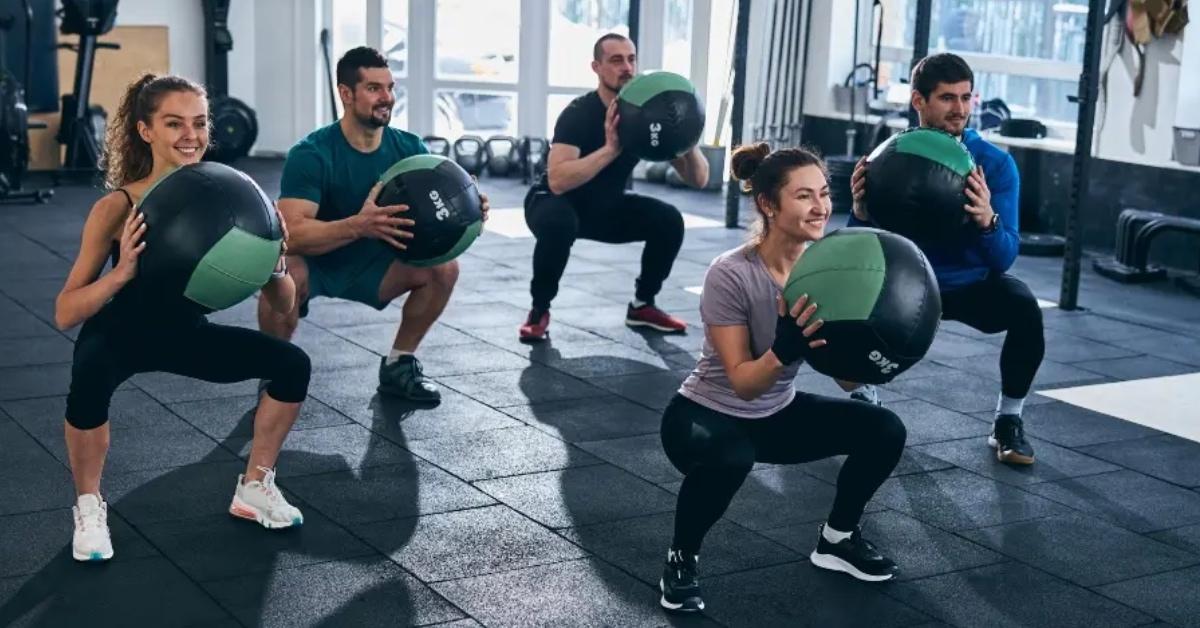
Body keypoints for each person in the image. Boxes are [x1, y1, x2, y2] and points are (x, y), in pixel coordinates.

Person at [55, 74, 311, 562]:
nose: (190, 135)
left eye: (198, 123)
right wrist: (121, 273)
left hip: (187, 333)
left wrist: (275, 266)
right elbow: (64, 312)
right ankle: (89, 506)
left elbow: (283, 306)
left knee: (292, 364)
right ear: (145, 130)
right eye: (174, 123)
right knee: (88, 375)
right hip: (123, 332)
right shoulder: (118, 207)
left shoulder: (238, 197)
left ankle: (254, 487)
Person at [658, 143, 907, 613]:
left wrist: (883, 352)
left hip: (775, 412)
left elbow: (848, 380)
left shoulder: (824, 269)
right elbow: (743, 383)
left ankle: (838, 538)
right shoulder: (730, 274)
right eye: (804, 196)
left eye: (824, 194)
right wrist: (786, 346)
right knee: (733, 457)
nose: (821, 207)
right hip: (705, 416)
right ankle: (681, 556)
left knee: (884, 429)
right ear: (768, 205)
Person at [260, 46, 488, 404]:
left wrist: (468, 212)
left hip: (379, 264)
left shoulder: (410, 150)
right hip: (319, 261)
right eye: (374, 88)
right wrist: (358, 225)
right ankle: (273, 370)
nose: (387, 98)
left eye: (390, 87)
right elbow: (291, 234)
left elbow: (444, 205)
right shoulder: (313, 153)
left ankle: (400, 364)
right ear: (346, 94)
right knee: (279, 271)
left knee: (445, 269)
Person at [848, 53, 1043, 465]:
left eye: (966, 97)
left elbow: (1004, 257)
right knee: (841, 299)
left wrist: (987, 220)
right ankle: (864, 397)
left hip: (964, 284)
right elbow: (859, 246)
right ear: (918, 101)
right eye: (947, 98)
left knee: (1025, 308)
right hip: (903, 287)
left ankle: (1008, 421)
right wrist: (861, 212)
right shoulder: (887, 157)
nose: (960, 109)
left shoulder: (995, 164)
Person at [519, 33, 710, 341]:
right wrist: (610, 149)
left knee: (669, 220)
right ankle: (539, 309)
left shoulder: (645, 115)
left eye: (631, 59)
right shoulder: (578, 113)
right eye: (616, 60)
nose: (627, 68)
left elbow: (698, 179)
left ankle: (642, 305)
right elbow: (557, 180)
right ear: (596, 67)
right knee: (559, 223)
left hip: (605, 206)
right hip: (553, 202)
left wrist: (686, 135)